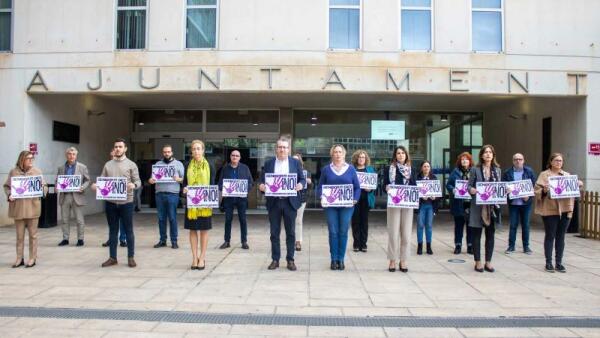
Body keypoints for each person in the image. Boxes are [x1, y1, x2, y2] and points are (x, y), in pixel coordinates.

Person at [92, 138, 141, 268]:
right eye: (116, 147)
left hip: (127, 202)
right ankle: (112, 258)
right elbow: (102, 180)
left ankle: (131, 257)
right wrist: (96, 185)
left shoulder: (131, 164)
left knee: (129, 230)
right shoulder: (108, 164)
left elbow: (138, 181)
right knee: (113, 230)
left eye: (120, 146)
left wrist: (133, 184)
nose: (118, 149)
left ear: (125, 149)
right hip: (111, 203)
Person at [259, 135, 305, 271]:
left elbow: (302, 179)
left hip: (290, 202)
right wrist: (262, 186)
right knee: (274, 233)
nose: (282, 150)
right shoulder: (269, 163)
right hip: (274, 203)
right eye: (280, 147)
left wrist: (300, 185)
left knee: (291, 232)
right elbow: (262, 181)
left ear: (289, 149)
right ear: (276, 149)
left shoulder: (295, 163)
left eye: (285, 147)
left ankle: (290, 260)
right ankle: (275, 259)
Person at [534, 153, 583, 273]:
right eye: (556, 160)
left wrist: (579, 184)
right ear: (551, 162)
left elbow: (575, 188)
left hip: (566, 209)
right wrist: (544, 190)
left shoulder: (567, 175)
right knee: (550, 235)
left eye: (560, 161)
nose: (558, 163)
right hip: (550, 210)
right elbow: (536, 191)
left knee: (561, 237)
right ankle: (548, 262)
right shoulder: (544, 175)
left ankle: (559, 262)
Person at [318, 145, 361, 270]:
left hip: (347, 206)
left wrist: (355, 199)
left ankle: (341, 259)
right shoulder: (326, 169)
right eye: (335, 152)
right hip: (331, 206)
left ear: (344, 154)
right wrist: (321, 196)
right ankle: (333, 259)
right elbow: (320, 186)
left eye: (340, 152)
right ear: (332, 154)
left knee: (343, 232)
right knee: (333, 232)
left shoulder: (351, 169)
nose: (337, 154)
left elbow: (357, 187)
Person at [4, 151, 48, 268]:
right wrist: (9, 195)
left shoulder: (37, 172)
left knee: (33, 235)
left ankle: (32, 258)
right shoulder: (13, 172)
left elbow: (44, 186)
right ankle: (19, 258)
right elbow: (7, 186)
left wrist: (42, 192)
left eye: (32, 158)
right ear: (22, 159)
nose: (31, 161)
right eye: (28, 158)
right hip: (18, 209)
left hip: (33, 208)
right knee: (19, 236)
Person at [468, 145, 502, 273]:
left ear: (493, 155)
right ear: (481, 155)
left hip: (492, 206)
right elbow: (469, 186)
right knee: (476, 234)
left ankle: (488, 262)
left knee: (490, 234)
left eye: (490, 152)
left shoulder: (497, 170)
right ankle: (478, 262)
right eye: (485, 152)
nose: (488, 154)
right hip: (478, 205)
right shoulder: (475, 170)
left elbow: (499, 186)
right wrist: (472, 190)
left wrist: (505, 190)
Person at [183, 140, 215, 270]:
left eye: (198, 148)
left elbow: (212, 185)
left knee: (204, 230)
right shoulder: (187, 165)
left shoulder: (210, 166)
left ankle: (202, 257)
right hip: (192, 204)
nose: (196, 151)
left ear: (203, 150)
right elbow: (184, 183)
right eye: (194, 149)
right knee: (192, 230)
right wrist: (184, 190)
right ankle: (194, 257)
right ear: (191, 151)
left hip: (204, 205)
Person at [384, 145, 417, 273]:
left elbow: (414, 186)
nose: (401, 155)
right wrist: (387, 188)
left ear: (406, 155)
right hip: (394, 203)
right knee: (393, 233)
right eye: (398, 153)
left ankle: (403, 260)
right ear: (395, 155)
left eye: (403, 153)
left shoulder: (412, 170)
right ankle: (392, 260)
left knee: (406, 234)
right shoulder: (390, 169)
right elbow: (385, 184)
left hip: (408, 205)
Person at [148, 144, 184, 249]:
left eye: (168, 152)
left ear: (172, 152)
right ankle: (162, 240)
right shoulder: (158, 164)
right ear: (163, 153)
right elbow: (151, 179)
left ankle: (174, 241)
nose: (166, 154)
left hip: (173, 194)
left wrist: (178, 179)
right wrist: (151, 180)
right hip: (159, 194)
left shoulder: (178, 164)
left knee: (172, 218)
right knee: (161, 218)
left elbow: (183, 179)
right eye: (165, 152)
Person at [218, 149, 253, 250]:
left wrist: (244, 189)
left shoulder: (245, 168)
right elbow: (220, 183)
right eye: (233, 155)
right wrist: (224, 188)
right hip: (229, 199)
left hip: (241, 199)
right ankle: (227, 241)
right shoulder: (225, 169)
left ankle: (244, 241)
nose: (235, 157)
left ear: (240, 158)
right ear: (230, 157)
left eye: (237, 156)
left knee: (243, 220)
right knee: (228, 220)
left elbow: (250, 183)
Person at [503, 153, 537, 254]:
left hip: (526, 203)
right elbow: (503, 185)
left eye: (520, 159)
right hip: (513, 203)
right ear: (513, 161)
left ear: (523, 160)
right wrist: (506, 190)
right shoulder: (507, 172)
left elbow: (535, 186)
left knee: (525, 225)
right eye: (516, 159)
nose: (518, 161)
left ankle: (526, 247)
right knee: (513, 225)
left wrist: (529, 196)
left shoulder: (529, 171)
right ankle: (511, 246)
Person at [56, 147, 91, 247]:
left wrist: (82, 187)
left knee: (79, 220)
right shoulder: (61, 168)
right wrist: (56, 187)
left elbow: (88, 180)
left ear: (76, 155)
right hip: (65, 196)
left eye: (73, 154)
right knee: (65, 219)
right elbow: (58, 180)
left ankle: (80, 239)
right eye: (69, 154)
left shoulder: (82, 167)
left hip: (77, 196)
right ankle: (65, 239)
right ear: (66, 155)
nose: (71, 156)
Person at [446, 152, 474, 255]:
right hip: (458, 203)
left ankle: (470, 246)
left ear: (470, 161)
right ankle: (458, 245)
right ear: (460, 161)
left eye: (466, 159)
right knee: (458, 226)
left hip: (471, 204)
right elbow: (448, 185)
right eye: (462, 159)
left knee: (470, 226)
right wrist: (452, 190)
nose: (464, 161)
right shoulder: (455, 172)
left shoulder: (474, 171)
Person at [350, 149, 375, 252]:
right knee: (355, 221)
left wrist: (370, 189)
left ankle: (363, 244)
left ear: (366, 159)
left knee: (364, 222)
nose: (361, 159)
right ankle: (356, 243)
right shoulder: (352, 169)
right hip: (355, 199)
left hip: (366, 199)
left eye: (363, 157)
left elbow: (374, 184)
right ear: (356, 158)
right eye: (359, 157)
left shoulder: (370, 170)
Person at [102, 149, 128, 248]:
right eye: (111, 155)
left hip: (122, 197)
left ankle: (122, 239)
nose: (113, 156)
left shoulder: (125, 165)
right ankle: (112, 239)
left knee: (123, 220)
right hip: (111, 197)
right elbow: (103, 180)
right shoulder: (107, 166)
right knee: (112, 220)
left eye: (114, 155)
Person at [416, 160, 439, 255]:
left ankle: (429, 246)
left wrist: (435, 197)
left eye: (428, 166)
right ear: (422, 168)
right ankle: (420, 246)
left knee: (429, 225)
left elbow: (438, 193)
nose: (426, 168)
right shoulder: (417, 178)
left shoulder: (434, 178)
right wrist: (420, 196)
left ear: (430, 168)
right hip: (421, 205)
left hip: (430, 205)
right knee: (420, 225)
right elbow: (413, 192)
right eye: (424, 166)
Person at [293, 153, 311, 252]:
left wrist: (308, 181)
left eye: (297, 160)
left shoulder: (306, 172)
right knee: (291, 220)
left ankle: (298, 241)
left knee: (298, 220)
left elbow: (310, 185)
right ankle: (291, 239)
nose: (295, 162)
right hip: (289, 198)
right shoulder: (288, 171)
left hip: (301, 198)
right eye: (293, 160)